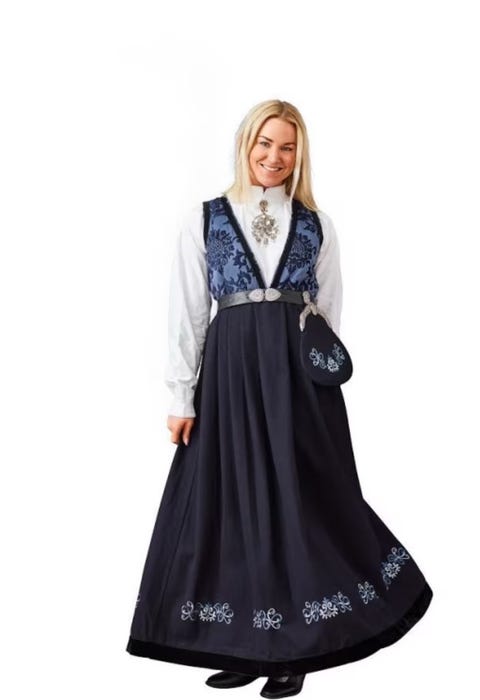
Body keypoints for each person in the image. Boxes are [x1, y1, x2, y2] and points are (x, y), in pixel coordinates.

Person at [125, 99, 433, 699]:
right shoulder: (205, 218)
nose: (274, 156)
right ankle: (244, 644)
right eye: (265, 143)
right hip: (231, 376)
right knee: (233, 502)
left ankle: (298, 648)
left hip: (297, 380)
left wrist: (316, 381)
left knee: (303, 503)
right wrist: (181, 395)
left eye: (287, 147)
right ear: (246, 144)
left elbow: (329, 312)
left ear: (300, 154)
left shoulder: (317, 224)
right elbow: (187, 311)